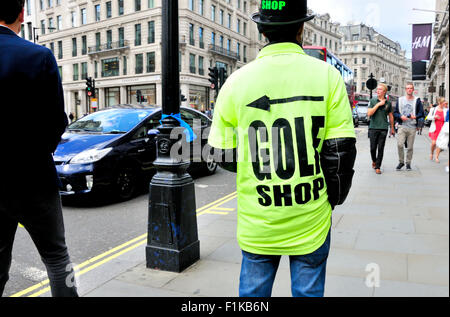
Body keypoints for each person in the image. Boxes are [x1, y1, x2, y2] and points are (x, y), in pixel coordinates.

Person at [208, 0, 357, 297]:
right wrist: (331, 201)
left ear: (262, 30)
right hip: (310, 219)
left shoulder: (235, 82)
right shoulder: (328, 77)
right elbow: (340, 153)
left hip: (258, 219)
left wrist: (258, 165)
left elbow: (220, 153)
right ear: (302, 28)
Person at [0, 0, 78, 297]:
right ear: (21, 13)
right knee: (57, 259)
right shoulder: (39, 56)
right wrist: (37, 152)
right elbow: (56, 121)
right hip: (34, 178)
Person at [394, 83, 424, 171]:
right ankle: (401, 162)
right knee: (400, 145)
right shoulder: (400, 100)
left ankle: (408, 163)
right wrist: (400, 116)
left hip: (412, 127)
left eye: (411, 88)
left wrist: (415, 116)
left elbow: (421, 113)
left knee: (410, 147)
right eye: (408, 88)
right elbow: (395, 112)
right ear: (405, 89)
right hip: (402, 126)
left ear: (413, 90)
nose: (409, 90)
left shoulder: (417, 100)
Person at [367, 84, 395, 174]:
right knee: (372, 148)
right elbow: (369, 113)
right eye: (377, 89)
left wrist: (392, 128)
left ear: (384, 91)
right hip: (373, 128)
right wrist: (379, 104)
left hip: (383, 128)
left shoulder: (388, 103)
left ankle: (378, 166)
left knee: (381, 148)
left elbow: (391, 116)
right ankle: (374, 161)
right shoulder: (372, 100)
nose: (378, 91)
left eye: (380, 89)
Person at [428, 97, 448, 163]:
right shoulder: (433, 109)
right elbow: (428, 117)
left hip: (442, 129)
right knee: (433, 143)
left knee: (439, 144)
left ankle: (436, 157)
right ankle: (431, 153)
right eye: (443, 103)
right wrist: (434, 117)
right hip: (435, 128)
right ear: (440, 103)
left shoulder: (446, 110)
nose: (445, 105)